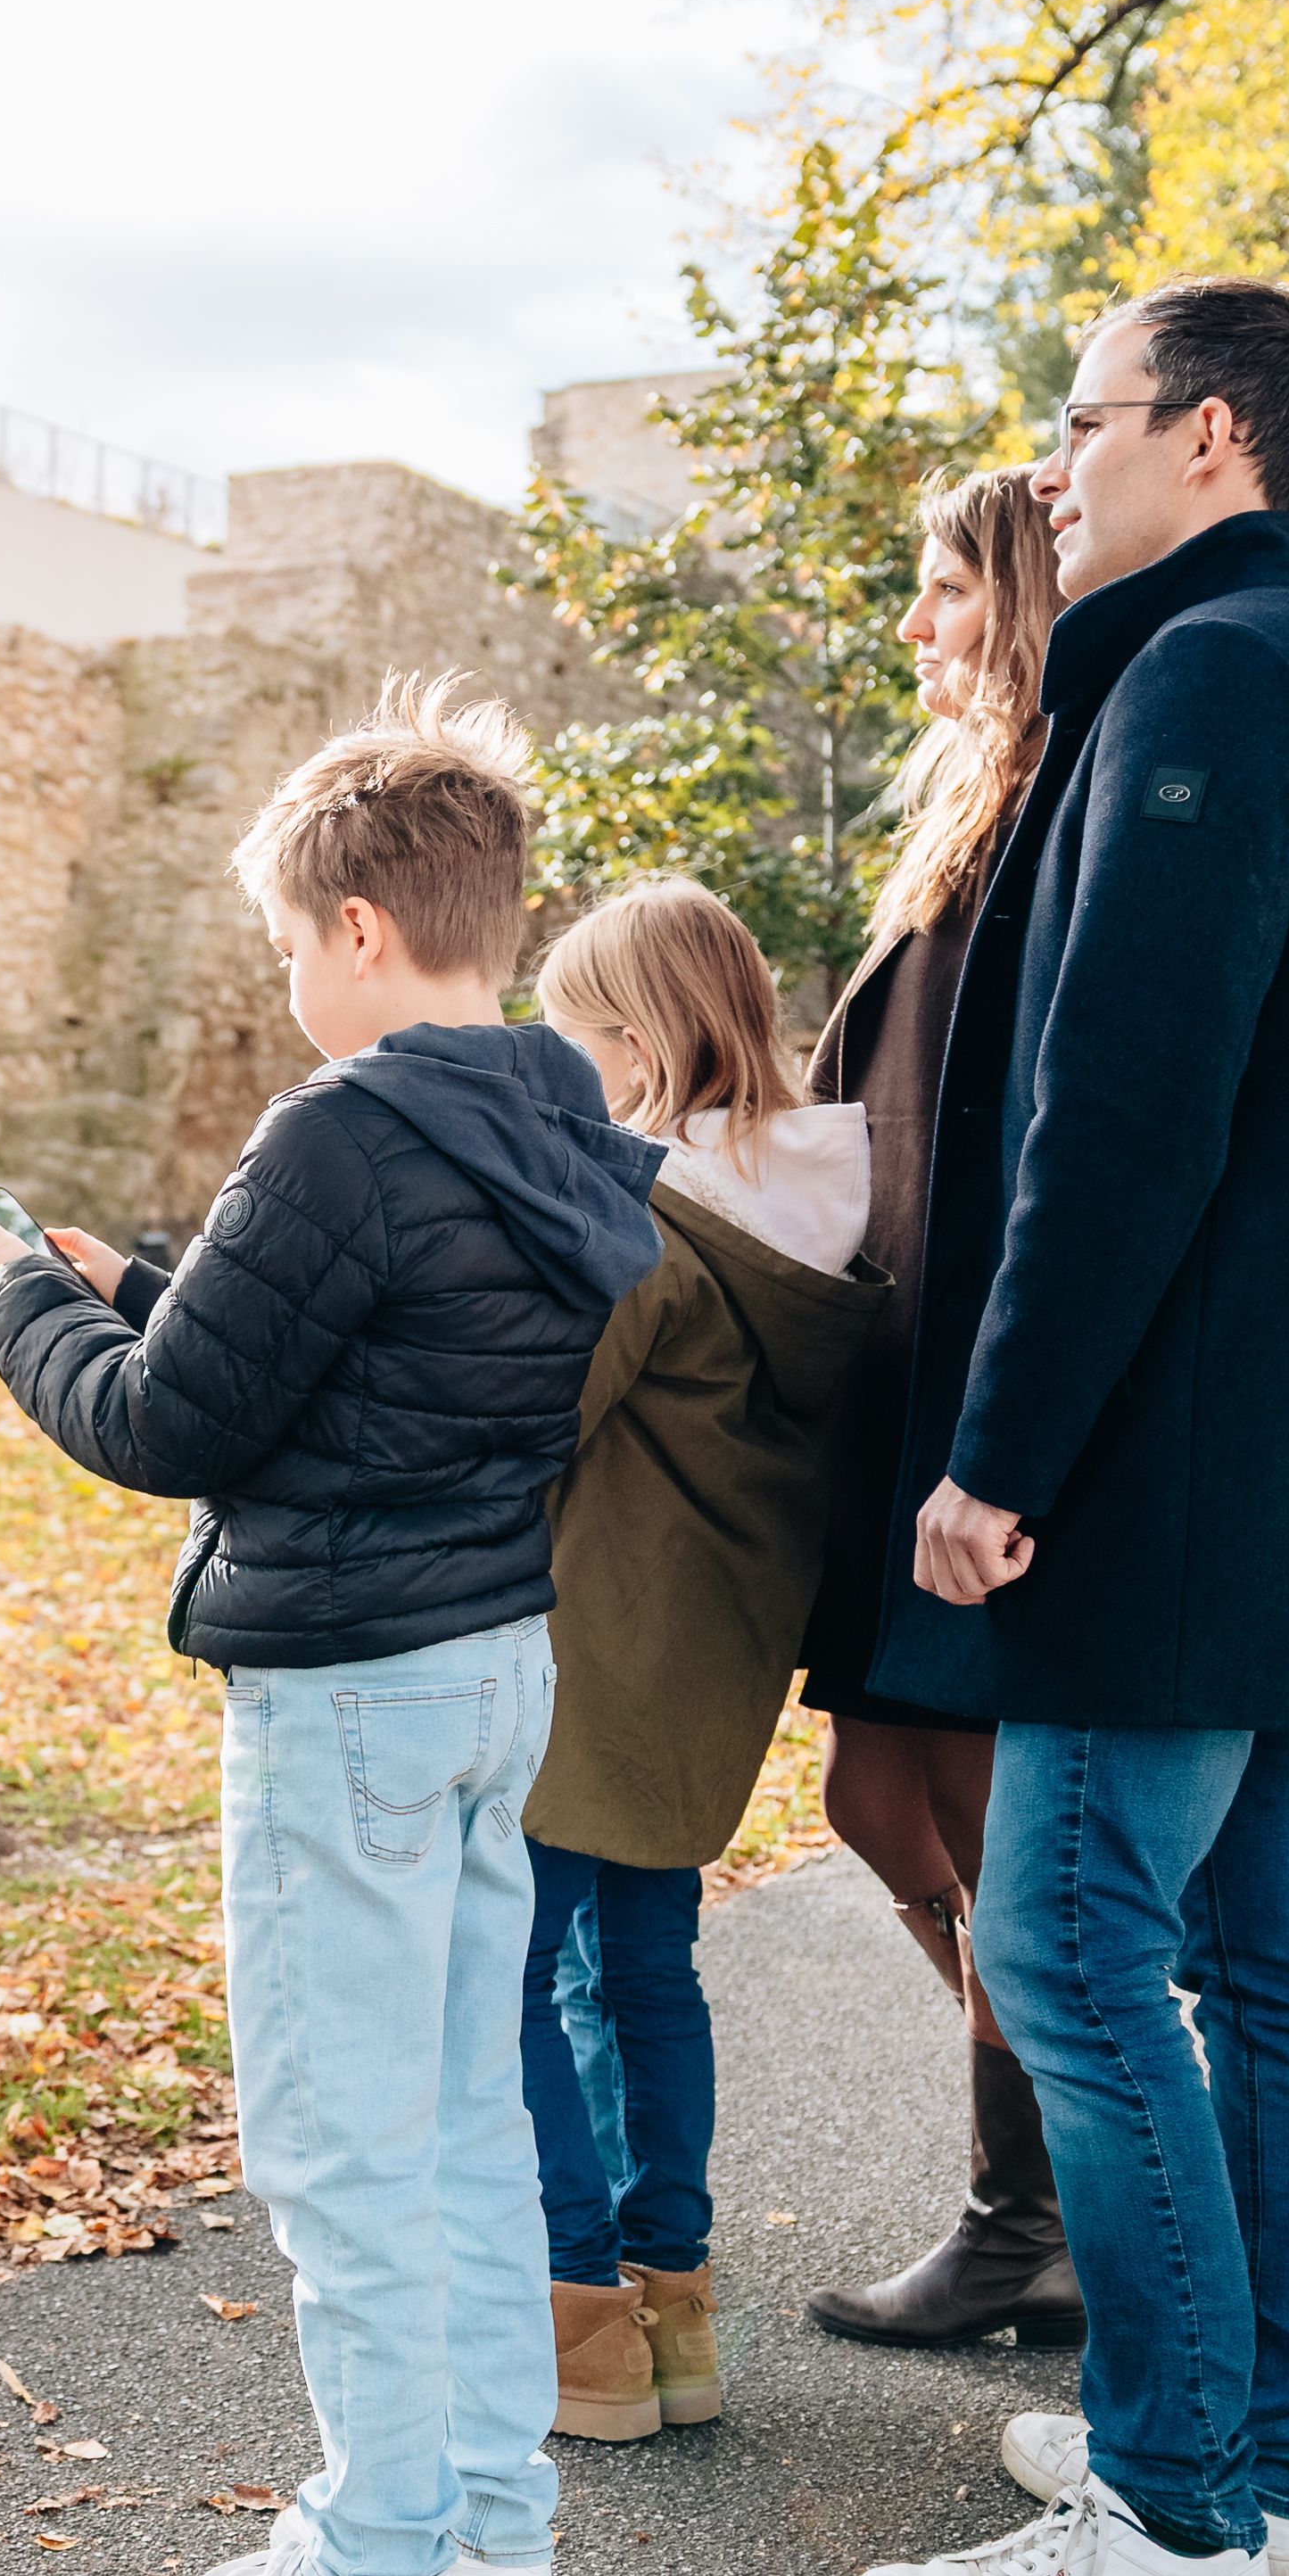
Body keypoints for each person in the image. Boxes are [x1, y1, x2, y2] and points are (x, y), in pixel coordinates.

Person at [841, 278, 1289, 2576]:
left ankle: (1171, 2515)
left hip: (1176, 1465)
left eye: (1078, 421)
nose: (1049, 467)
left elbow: (1120, 1115)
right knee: (1262, 1956)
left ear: (1208, 436)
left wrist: (998, 1452)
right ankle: (1258, 2456)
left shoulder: (1203, 686)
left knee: (1073, 1945)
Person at [0, 675, 665, 2576]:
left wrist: (30, 1300)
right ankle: (485, 2529)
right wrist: (179, 1262)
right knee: (456, 2115)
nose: (286, 981)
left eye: (288, 941)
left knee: (338, 2141)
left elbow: (172, 1420)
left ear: (361, 923)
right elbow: (385, 1333)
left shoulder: (343, 1129)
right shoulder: (559, 1121)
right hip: (491, 1665)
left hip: (351, 1694)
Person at [511, 880, 882, 2442]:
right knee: (646, 1972)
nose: (552, 1070)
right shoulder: (829, 1213)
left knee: (516, 1978)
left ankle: (577, 2315)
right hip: (709, 1669)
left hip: (579, 1648)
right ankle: (677, 2308)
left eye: (569, 1038)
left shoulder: (639, 1228)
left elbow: (538, 1422)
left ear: (640, 1041)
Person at [796, 471, 1085, 2353]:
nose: (916, 629)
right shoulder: (956, 827)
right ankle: (1063, 2156)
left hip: (967, 1402)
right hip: (883, 1388)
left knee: (977, 1815)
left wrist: (998, 1430)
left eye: (942, 592)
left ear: (1025, 599)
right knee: (870, 1785)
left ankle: (1029, 2211)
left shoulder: (1058, 808)